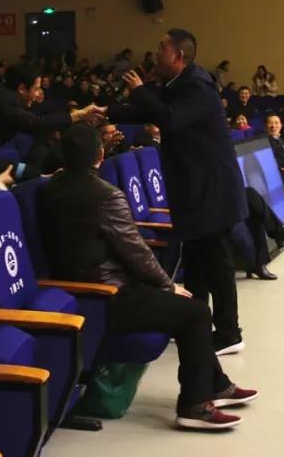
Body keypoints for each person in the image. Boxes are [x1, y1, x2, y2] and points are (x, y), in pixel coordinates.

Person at [39, 123, 257, 430]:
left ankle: (216, 385)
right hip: (107, 297)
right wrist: (168, 285)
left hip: (78, 292)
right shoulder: (105, 196)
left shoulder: (51, 189)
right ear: (100, 156)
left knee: (189, 309)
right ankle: (194, 405)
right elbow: (136, 252)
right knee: (195, 312)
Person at [107, 29, 248, 356]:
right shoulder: (177, 84)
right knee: (196, 262)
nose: (156, 53)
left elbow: (168, 119)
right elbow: (150, 111)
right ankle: (193, 323)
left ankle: (229, 332)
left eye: (162, 48)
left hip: (213, 190)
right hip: (195, 189)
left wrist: (139, 90)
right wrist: (106, 112)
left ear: (179, 56)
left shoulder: (197, 87)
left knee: (217, 264)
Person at [0, 63, 103, 150]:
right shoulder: (4, 100)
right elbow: (35, 123)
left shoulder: (3, 92)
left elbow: (43, 111)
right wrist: (80, 115)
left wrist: (74, 111)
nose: (38, 94)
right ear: (22, 88)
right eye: (36, 89)